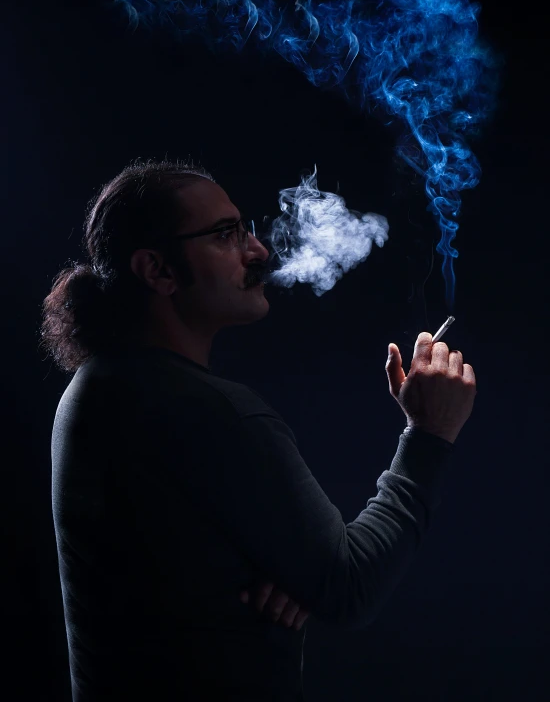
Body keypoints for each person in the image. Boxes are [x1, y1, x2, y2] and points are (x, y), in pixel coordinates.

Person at [40, 158, 476, 701]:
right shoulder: (212, 412)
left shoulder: (98, 386)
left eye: (244, 228)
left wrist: (296, 570)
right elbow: (351, 586)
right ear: (158, 271)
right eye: (225, 235)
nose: (259, 251)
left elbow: (183, 562)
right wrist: (429, 436)